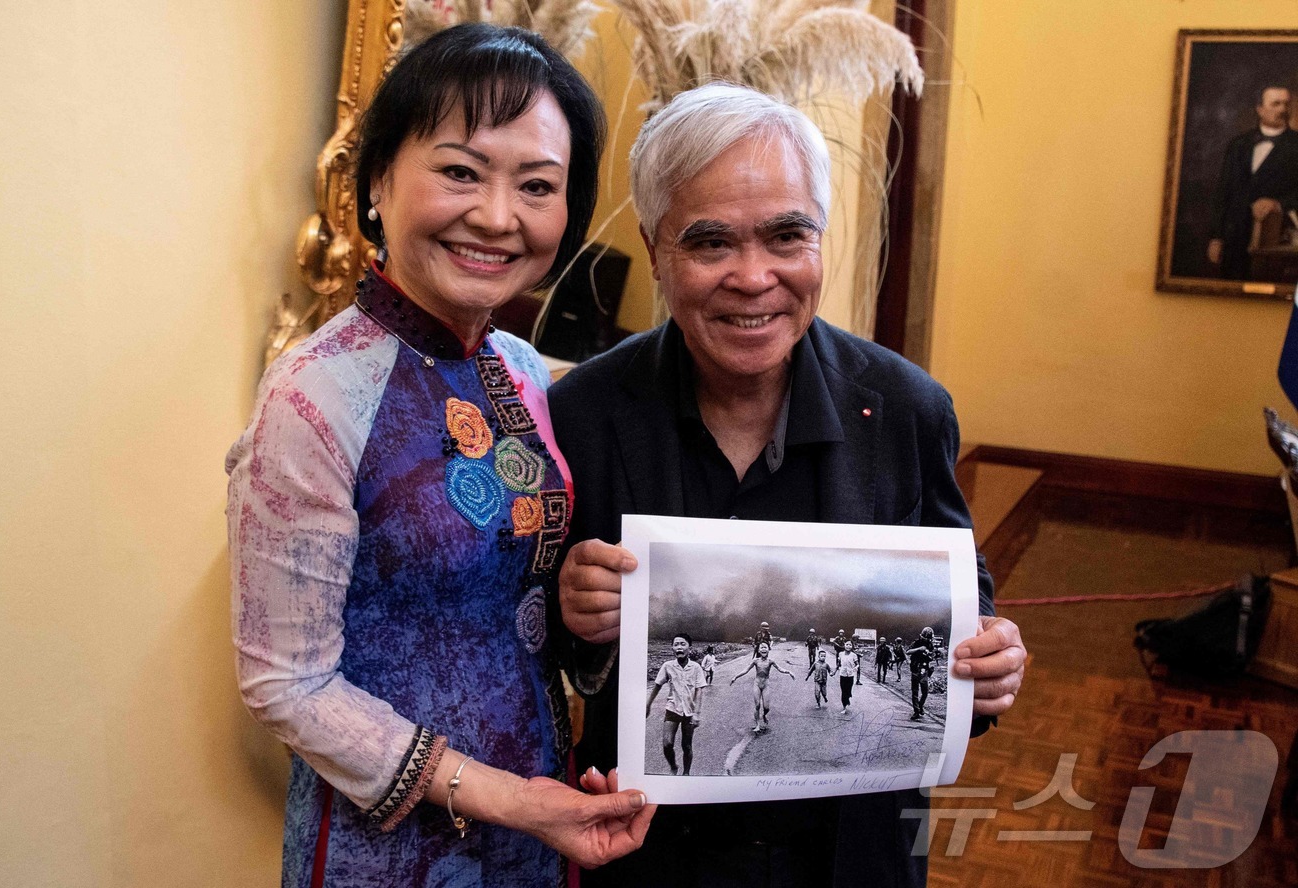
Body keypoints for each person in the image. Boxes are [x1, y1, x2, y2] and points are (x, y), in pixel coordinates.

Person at [551, 83, 1026, 887]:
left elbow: (965, 616)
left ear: (821, 239)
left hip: (855, 859)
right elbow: (536, 649)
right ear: (655, 248)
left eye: (786, 236)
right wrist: (575, 621)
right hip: (650, 861)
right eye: (709, 244)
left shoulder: (908, 410)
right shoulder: (583, 415)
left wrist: (990, 667)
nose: (754, 276)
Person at [226, 24, 653, 887]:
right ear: (378, 181)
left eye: (537, 185)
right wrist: (512, 798)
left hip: (540, 814)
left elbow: (515, 595)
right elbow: (285, 685)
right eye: (460, 171)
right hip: (384, 846)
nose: (499, 217)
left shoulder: (526, 371)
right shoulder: (312, 396)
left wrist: (585, 607)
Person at [1208, 85, 1298, 280]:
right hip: (1234, 238)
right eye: (1275, 104)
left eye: (1286, 104)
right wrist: (1216, 237)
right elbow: (1223, 191)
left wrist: (1278, 204)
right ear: (1260, 109)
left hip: (1275, 241)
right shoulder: (1239, 144)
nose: (1282, 109)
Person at [647, 633, 708, 775]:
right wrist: (648, 705)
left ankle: (686, 773)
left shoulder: (696, 667)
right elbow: (657, 685)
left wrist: (697, 714)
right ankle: (673, 766)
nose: (679, 647)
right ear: (672, 649)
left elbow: (699, 691)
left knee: (686, 746)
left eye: (682, 644)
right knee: (667, 744)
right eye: (676, 645)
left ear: (689, 648)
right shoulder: (667, 666)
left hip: (689, 712)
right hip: (672, 709)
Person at [730, 641, 794, 732]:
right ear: (759, 651)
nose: (763, 649)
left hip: (766, 684)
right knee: (757, 705)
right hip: (757, 683)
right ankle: (757, 725)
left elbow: (780, 669)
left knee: (766, 707)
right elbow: (746, 670)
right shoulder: (755, 661)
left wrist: (789, 672)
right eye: (761, 648)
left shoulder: (771, 661)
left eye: (765, 648)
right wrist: (735, 677)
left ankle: (764, 715)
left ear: (768, 650)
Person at [906, 628, 937, 720]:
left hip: (924, 670)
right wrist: (919, 649)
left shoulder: (930, 645)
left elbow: (932, 656)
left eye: (929, 638)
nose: (928, 640)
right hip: (915, 669)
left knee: (925, 691)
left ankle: (920, 706)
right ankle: (916, 711)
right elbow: (908, 652)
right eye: (927, 638)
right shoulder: (916, 643)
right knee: (915, 691)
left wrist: (930, 655)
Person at [836, 642, 860, 715]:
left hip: (850, 675)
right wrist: (835, 670)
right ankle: (844, 707)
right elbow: (838, 663)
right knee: (843, 691)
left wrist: (856, 668)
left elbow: (857, 664)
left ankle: (848, 697)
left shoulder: (854, 655)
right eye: (847, 645)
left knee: (848, 690)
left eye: (850, 645)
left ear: (852, 646)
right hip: (842, 674)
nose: (848, 646)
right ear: (844, 645)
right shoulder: (840, 654)